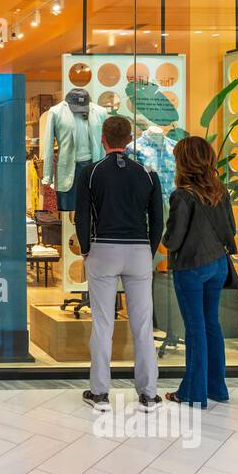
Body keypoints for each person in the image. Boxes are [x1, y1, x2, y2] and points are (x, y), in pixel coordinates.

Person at [75, 115, 164, 413]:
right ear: (128, 140)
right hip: (139, 250)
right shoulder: (148, 174)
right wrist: (147, 251)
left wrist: (87, 250)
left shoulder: (91, 173)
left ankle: (100, 393)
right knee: (142, 324)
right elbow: (158, 221)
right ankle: (149, 395)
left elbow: (82, 217)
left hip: (104, 249)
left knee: (102, 323)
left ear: (103, 138)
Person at [162, 136, 236, 408]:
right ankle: (217, 387)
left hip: (192, 267)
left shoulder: (182, 195)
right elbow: (231, 229)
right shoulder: (220, 191)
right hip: (217, 264)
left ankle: (192, 392)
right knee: (210, 324)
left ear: (185, 162)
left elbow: (174, 239)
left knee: (195, 328)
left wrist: (166, 239)